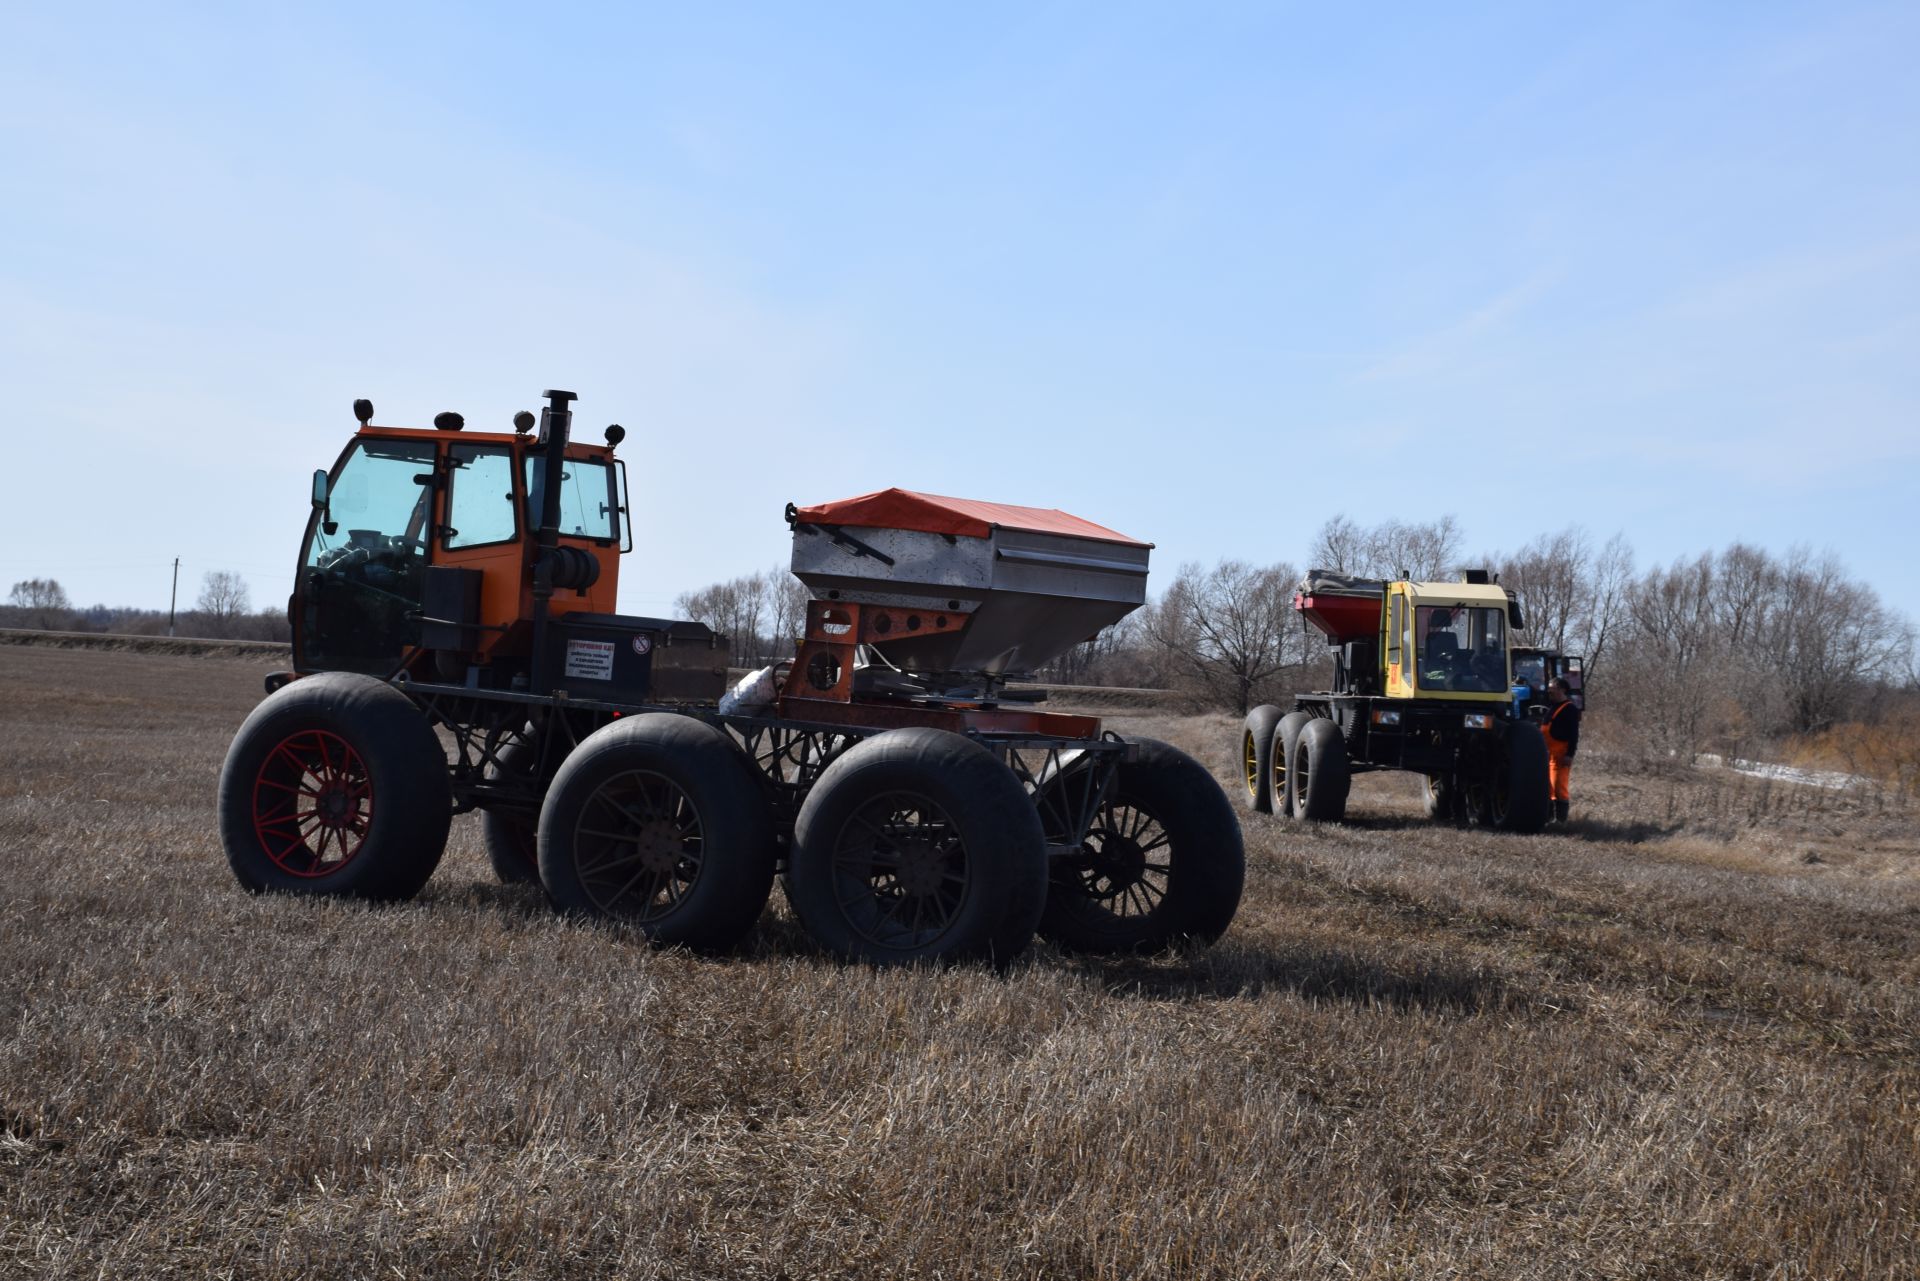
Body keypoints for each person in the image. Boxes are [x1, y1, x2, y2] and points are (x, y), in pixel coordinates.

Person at [1540, 678, 1581, 824]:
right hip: (1548, 755)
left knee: (1559, 788)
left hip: (1560, 755)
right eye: (1549, 687)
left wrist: (1569, 755)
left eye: (1552, 688)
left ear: (1562, 690)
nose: (1549, 690)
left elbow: (1574, 734)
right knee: (1548, 788)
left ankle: (1561, 821)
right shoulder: (1552, 707)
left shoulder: (1569, 709)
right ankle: (1549, 819)